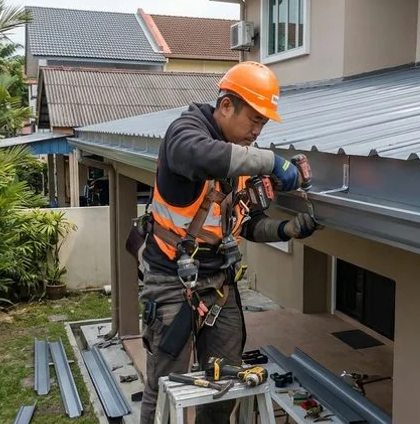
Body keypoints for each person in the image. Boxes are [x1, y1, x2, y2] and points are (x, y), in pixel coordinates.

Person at [133, 61, 319, 424]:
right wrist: (270, 162)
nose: (257, 130)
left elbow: (246, 224)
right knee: (166, 386)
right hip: (172, 280)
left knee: (226, 380)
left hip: (219, 284)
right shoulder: (186, 133)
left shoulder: (240, 155)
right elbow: (199, 156)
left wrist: (287, 230)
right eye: (253, 119)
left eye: (263, 124)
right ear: (227, 105)